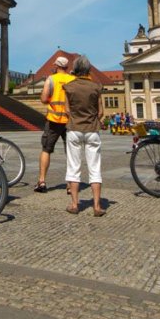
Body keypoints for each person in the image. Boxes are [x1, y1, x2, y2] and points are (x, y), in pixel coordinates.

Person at [62, 55, 105, 216]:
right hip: (92, 130)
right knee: (95, 168)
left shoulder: (69, 87)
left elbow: (66, 110)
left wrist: (75, 117)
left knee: (73, 167)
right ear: (88, 70)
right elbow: (101, 111)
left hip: (74, 129)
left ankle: (74, 204)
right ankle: (97, 206)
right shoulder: (96, 87)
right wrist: (93, 118)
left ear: (75, 70)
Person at [35, 56, 74, 193]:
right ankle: (70, 185)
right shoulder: (73, 80)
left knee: (46, 149)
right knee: (70, 152)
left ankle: (42, 181)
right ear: (67, 67)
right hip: (70, 121)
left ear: (57, 66)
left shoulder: (51, 79)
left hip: (53, 120)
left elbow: (44, 99)